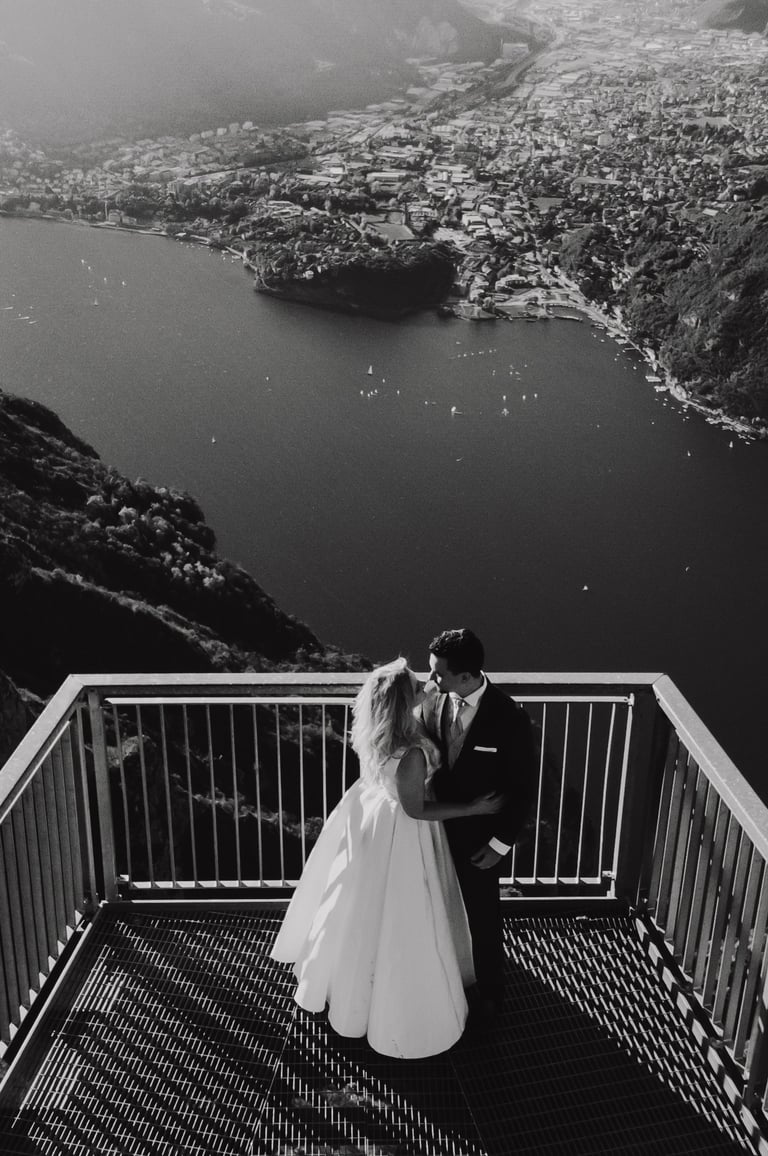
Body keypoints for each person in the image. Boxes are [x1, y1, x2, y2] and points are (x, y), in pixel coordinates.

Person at [270, 657, 503, 1059]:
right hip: (405, 829)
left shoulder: (380, 731)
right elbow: (415, 809)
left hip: (374, 817)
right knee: (406, 913)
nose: (426, 683)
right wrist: (473, 810)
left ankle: (355, 991)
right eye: (417, 683)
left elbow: (422, 690)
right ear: (403, 702)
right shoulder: (411, 752)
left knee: (362, 907)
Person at [421, 628, 537, 1021]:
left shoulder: (509, 718)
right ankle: (444, 982)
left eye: (439, 673)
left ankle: (490, 996)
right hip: (434, 829)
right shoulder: (434, 700)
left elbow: (524, 787)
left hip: (479, 840)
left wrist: (501, 844)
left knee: (483, 915)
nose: (431, 680)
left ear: (467, 677)